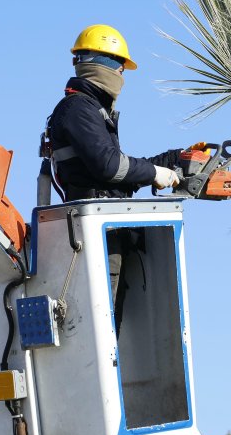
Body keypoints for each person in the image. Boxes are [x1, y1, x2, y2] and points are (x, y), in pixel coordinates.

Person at [41, 24, 200, 333]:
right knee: (103, 326)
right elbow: (110, 168)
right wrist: (156, 173)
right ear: (106, 65)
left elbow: (118, 173)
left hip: (107, 224)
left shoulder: (94, 111)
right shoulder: (78, 109)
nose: (123, 78)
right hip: (95, 230)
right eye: (122, 69)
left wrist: (174, 159)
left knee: (112, 321)